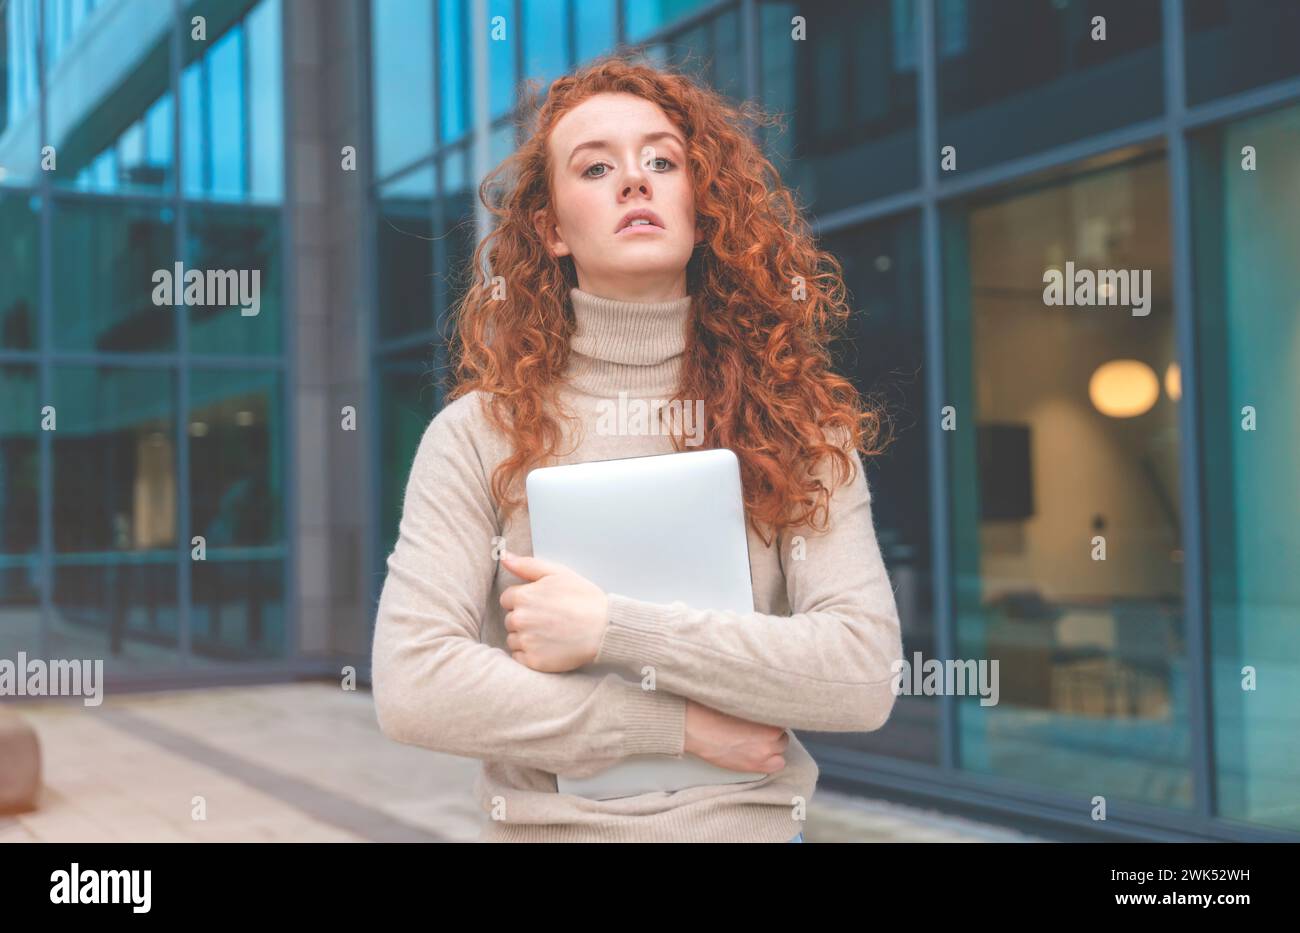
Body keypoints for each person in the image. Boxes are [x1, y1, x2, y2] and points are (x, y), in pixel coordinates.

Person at [370, 55, 903, 843]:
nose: (635, 181)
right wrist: (676, 725)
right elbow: (415, 682)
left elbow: (862, 673)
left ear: (704, 205)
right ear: (550, 229)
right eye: (595, 167)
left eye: (662, 160)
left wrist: (612, 629)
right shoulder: (477, 433)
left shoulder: (797, 422)